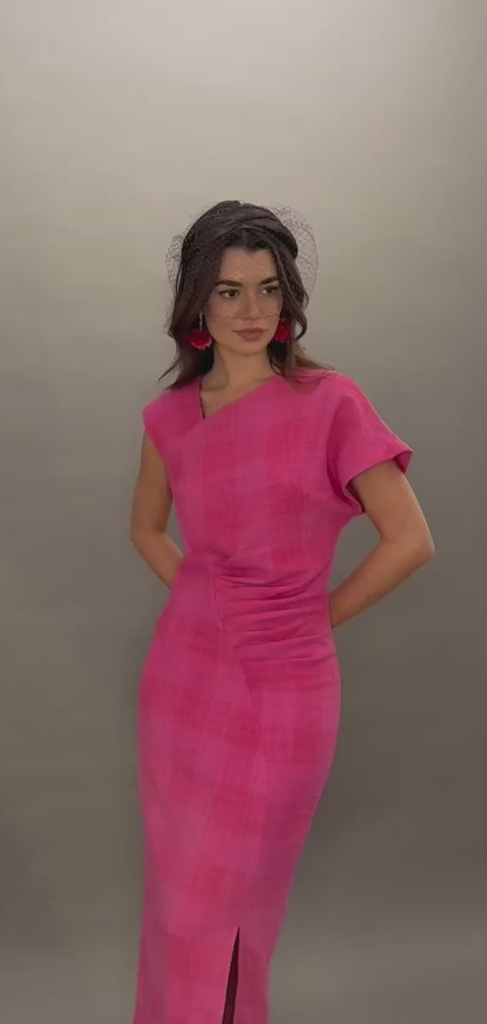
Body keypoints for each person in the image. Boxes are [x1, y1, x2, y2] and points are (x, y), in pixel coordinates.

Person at [128, 200, 434, 1024]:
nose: (251, 310)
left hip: (285, 686)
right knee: (180, 904)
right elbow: (146, 529)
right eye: (228, 292)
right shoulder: (168, 418)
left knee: (235, 904)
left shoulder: (329, 402)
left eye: (268, 289)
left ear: (289, 298)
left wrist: (302, 619)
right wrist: (206, 606)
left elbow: (409, 541)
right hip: (182, 685)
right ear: (196, 303)